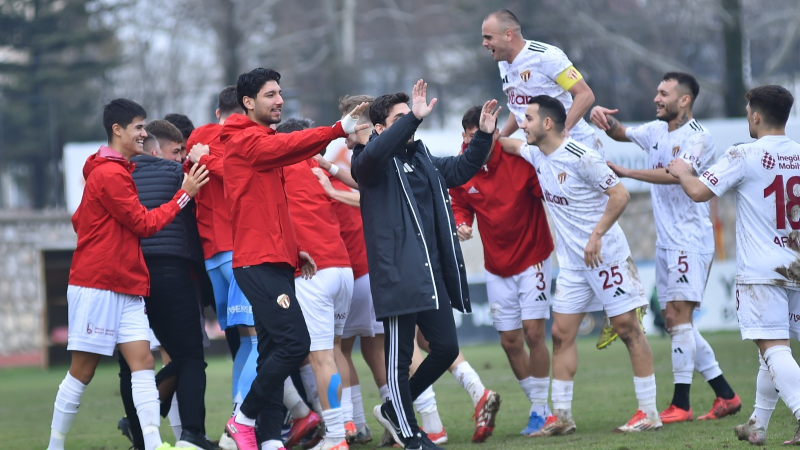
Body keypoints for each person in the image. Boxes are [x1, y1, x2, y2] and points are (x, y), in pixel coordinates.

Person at [46, 98, 208, 450]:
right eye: (138, 127)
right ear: (117, 130)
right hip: (99, 284)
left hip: (128, 285)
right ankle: (54, 445)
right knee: (83, 371)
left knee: (143, 363)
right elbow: (144, 224)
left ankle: (152, 444)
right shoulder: (109, 173)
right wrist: (184, 195)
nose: (144, 133)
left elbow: (80, 221)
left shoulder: (114, 171)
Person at [220, 68, 368, 450]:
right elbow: (290, 147)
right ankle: (243, 420)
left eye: (280, 93)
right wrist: (336, 129)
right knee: (295, 344)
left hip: (281, 261)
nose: (280, 100)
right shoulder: (245, 141)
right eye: (270, 94)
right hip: (257, 263)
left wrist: (292, 249)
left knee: (273, 352)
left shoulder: (262, 141)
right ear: (248, 102)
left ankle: (270, 439)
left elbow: (273, 207)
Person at [351, 79, 500, 450]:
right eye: (400, 118)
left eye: (410, 115)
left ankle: (392, 410)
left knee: (446, 349)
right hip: (398, 277)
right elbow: (374, 155)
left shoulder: (421, 158)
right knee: (399, 362)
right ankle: (410, 434)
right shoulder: (368, 160)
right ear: (380, 128)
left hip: (431, 276)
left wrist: (483, 135)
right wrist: (413, 119)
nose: (410, 121)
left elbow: (461, 169)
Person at [501, 95, 661, 435]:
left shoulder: (581, 157)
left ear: (547, 123)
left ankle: (649, 413)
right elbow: (509, 145)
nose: (522, 124)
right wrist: (486, 133)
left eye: (527, 118)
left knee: (628, 329)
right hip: (573, 265)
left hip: (606, 257)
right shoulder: (536, 153)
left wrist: (596, 235)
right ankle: (562, 417)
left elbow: (620, 195)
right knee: (560, 334)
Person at [590, 72, 740, 424]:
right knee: (675, 321)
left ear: (684, 100)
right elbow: (622, 133)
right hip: (667, 242)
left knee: (679, 319)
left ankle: (681, 404)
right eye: (657, 92)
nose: (656, 98)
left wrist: (628, 173)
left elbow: (677, 175)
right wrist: (603, 119)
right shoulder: (656, 130)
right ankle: (725, 395)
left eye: (664, 93)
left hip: (690, 239)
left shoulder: (699, 137)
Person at [481, 9, 627, 350]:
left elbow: (585, 95)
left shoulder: (547, 56)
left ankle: (621, 301)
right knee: (567, 221)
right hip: (546, 151)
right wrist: (498, 138)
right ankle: (608, 303)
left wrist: (561, 135)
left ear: (508, 34)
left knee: (597, 217)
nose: (484, 44)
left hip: (575, 150)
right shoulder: (505, 66)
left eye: (488, 37)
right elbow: (519, 112)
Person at [667, 84, 800, 446]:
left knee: (773, 349)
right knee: (770, 351)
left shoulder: (744, 153)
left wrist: (682, 171)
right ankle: (758, 424)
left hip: (761, 271)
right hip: (796, 265)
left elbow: (699, 192)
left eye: (747, 114)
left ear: (755, 116)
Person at [449, 105, 554, 436]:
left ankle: (540, 411)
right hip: (496, 266)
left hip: (534, 258)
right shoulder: (462, 165)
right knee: (510, 342)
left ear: (496, 133)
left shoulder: (519, 159)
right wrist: (461, 223)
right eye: (470, 137)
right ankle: (541, 409)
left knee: (534, 333)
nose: (475, 142)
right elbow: (459, 204)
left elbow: (550, 193)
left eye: (482, 135)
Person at [118, 119, 211, 449]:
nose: (180, 157)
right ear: (156, 151)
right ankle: (192, 435)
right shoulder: (178, 175)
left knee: (130, 366)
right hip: (171, 271)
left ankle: (141, 437)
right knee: (190, 356)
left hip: (129, 275)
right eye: (177, 152)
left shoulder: (117, 177)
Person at [186, 86, 267, 450]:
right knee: (260, 340)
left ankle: (238, 424)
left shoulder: (198, 138)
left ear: (218, 111)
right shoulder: (245, 139)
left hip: (211, 255)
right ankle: (240, 422)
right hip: (240, 251)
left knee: (246, 340)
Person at [312, 94, 387, 446]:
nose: (342, 131)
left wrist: (330, 186)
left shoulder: (367, 156)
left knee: (340, 349)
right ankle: (401, 421)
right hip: (369, 268)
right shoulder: (356, 158)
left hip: (360, 269)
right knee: (379, 349)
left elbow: (373, 197)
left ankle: (353, 423)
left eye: (347, 122)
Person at [276, 118, 355, 450]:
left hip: (312, 272)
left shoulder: (278, 168)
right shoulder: (320, 166)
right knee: (333, 353)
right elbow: (363, 193)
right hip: (343, 269)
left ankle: (335, 437)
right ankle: (347, 422)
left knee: (320, 358)